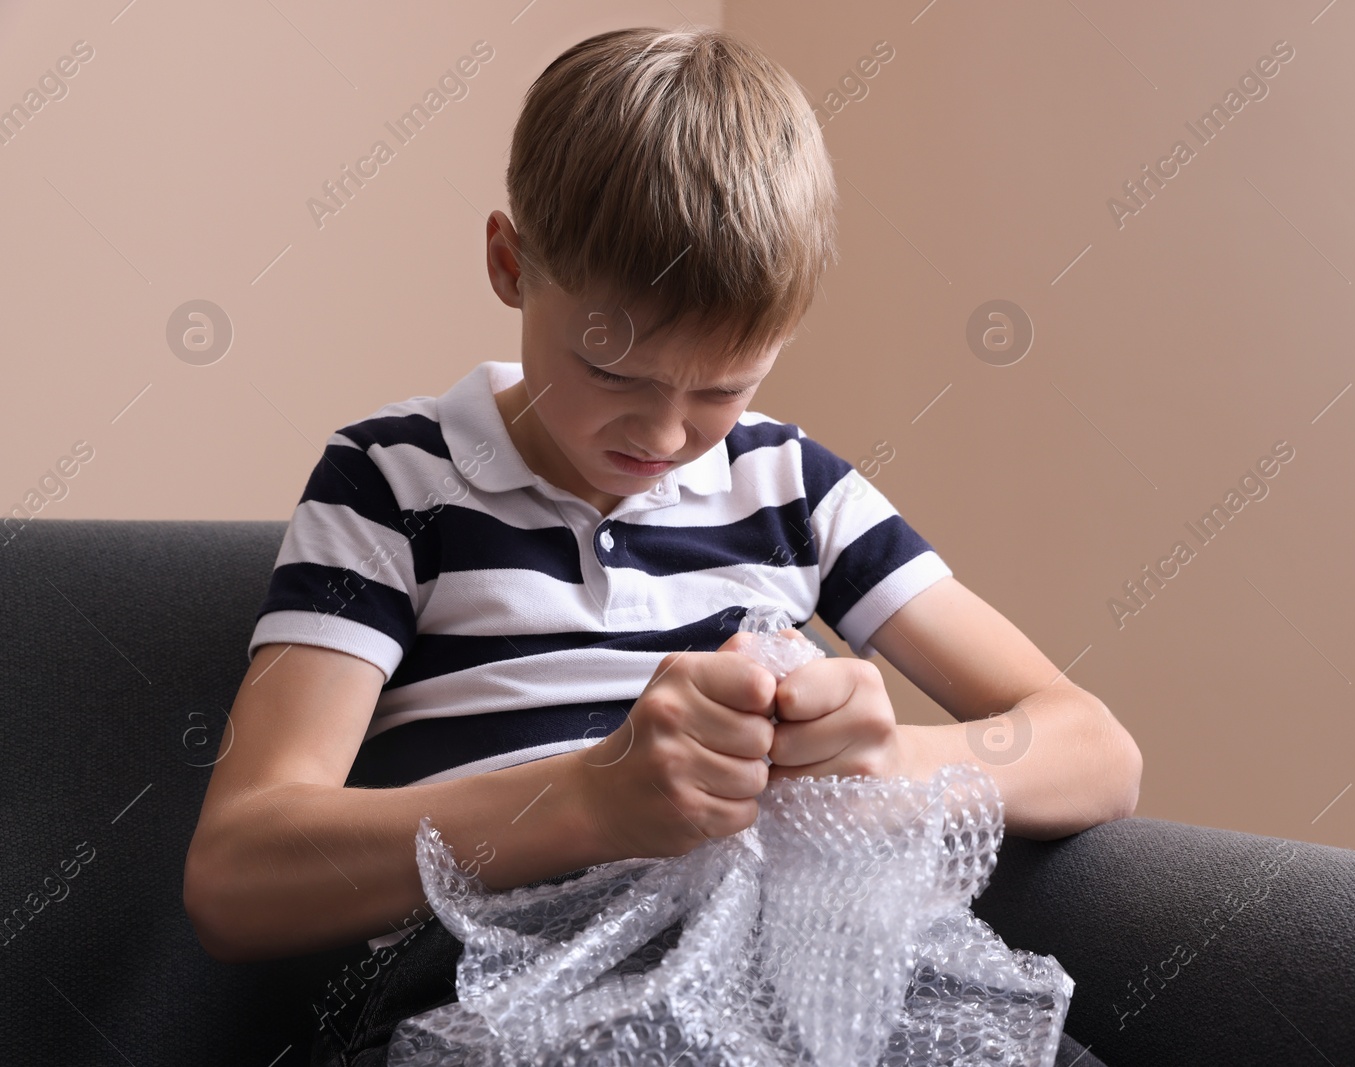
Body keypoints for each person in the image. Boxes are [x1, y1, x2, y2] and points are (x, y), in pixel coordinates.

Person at [181, 25, 1140, 1066]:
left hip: (789, 989)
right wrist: (590, 797)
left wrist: (879, 766)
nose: (665, 435)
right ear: (510, 264)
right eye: (614, 374)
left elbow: (1095, 750)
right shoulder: (392, 482)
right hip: (499, 999)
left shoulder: (790, 484)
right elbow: (236, 876)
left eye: (725, 387)